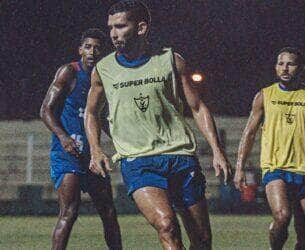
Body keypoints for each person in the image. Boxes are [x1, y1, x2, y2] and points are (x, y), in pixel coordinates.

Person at [84, 1, 232, 249]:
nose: (113, 33)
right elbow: (90, 113)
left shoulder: (171, 61)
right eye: (111, 27)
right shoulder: (103, 69)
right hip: (138, 161)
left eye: (120, 26)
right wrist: (95, 149)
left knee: (202, 240)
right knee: (166, 224)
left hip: (180, 156)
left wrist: (217, 150)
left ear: (141, 28)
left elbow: (197, 107)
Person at [234, 47, 305, 250]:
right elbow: (249, 133)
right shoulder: (265, 95)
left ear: (300, 68)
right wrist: (239, 168)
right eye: (281, 64)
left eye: (290, 64)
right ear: (275, 67)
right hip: (275, 168)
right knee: (282, 216)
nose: (285, 68)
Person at [40, 28, 122, 250]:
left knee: (109, 212)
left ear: (103, 52)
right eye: (88, 46)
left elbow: (103, 118)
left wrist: (120, 141)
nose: (92, 51)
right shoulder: (69, 72)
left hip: (92, 156)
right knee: (69, 212)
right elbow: (45, 110)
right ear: (80, 50)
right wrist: (63, 137)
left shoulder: (105, 77)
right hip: (68, 155)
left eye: (97, 47)